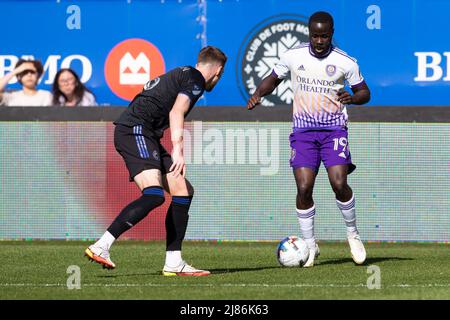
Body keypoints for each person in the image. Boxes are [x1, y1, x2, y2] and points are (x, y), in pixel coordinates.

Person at [85, 46, 227, 276]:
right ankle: (101, 245)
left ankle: (174, 262)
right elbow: (176, 112)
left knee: (183, 190)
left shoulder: (183, 73)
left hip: (143, 133)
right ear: (218, 70)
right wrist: (178, 150)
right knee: (153, 195)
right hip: (136, 131)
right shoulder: (196, 79)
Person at [247, 11, 371, 267]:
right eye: (315, 35)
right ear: (309, 33)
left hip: (334, 131)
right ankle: (310, 245)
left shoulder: (345, 61)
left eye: (324, 36)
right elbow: (273, 79)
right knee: (304, 188)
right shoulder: (294, 56)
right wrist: (258, 93)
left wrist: (353, 97)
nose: (319, 40)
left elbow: (364, 92)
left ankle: (353, 233)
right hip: (303, 132)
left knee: (339, 183)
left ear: (331, 34)